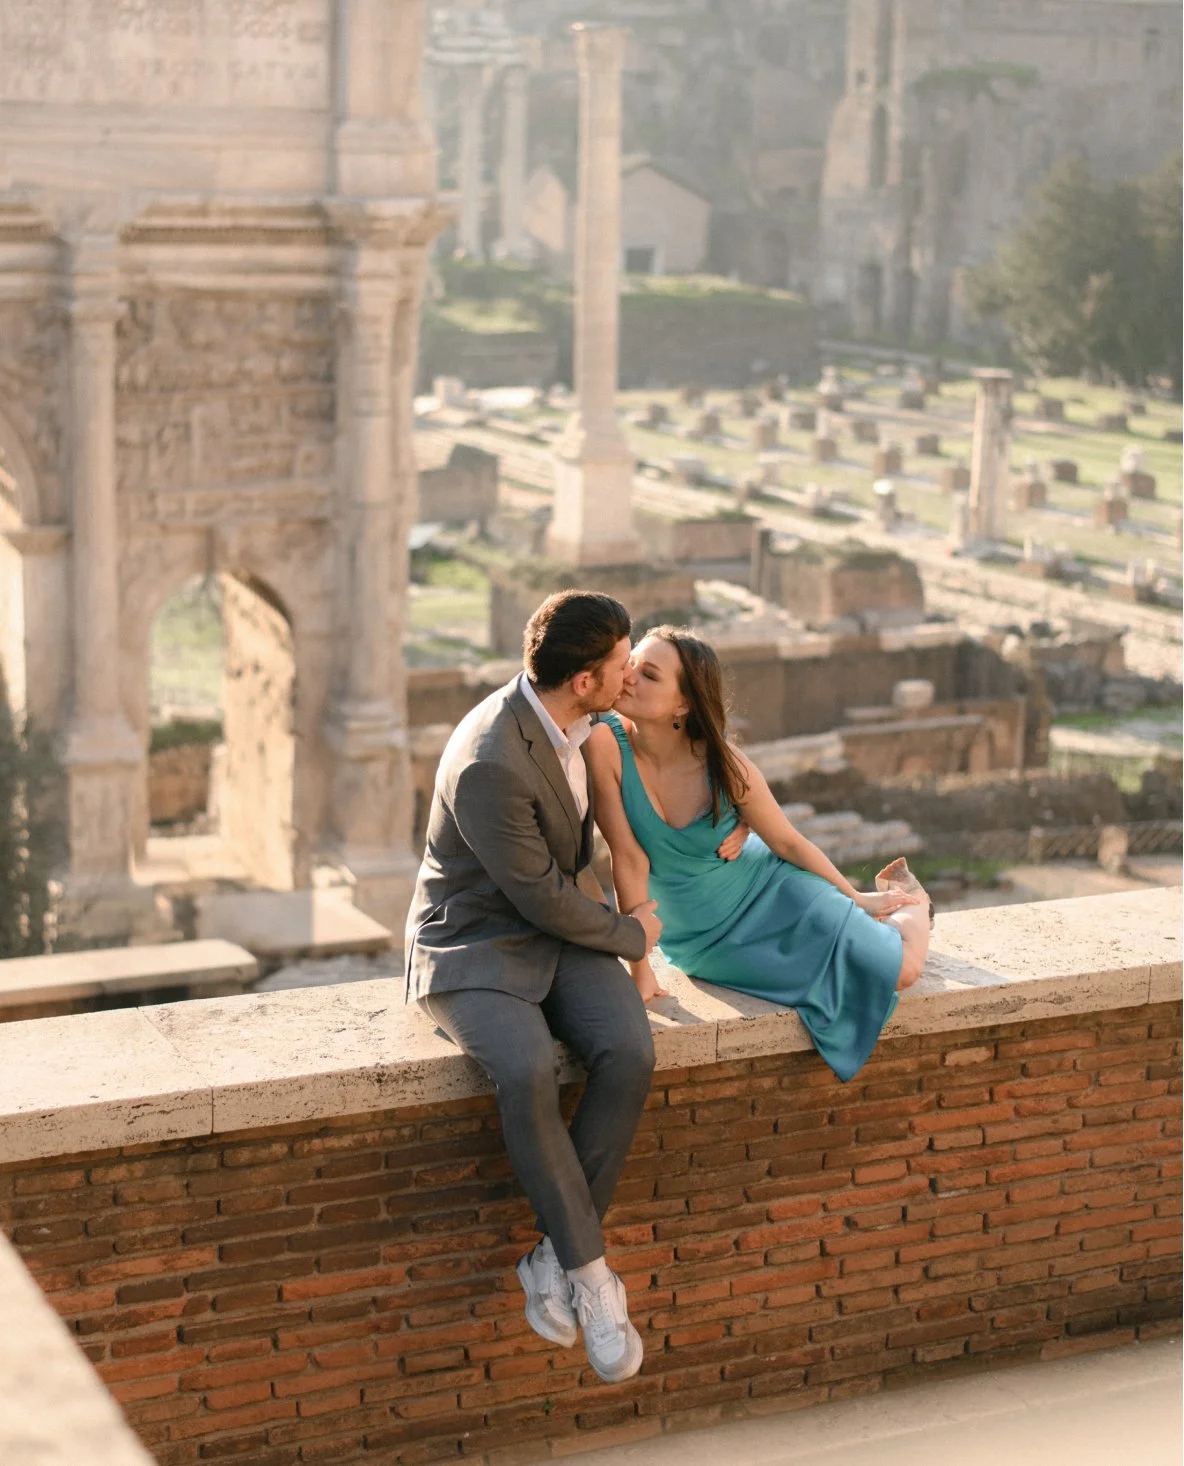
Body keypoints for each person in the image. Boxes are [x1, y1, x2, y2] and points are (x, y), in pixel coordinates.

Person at [405, 591, 668, 1384]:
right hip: (476, 941)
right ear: (585, 679)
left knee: (628, 1050)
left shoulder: (589, 725)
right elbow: (539, 897)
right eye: (623, 663)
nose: (633, 672)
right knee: (523, 1073)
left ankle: (550, 1258)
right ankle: (593, 1282)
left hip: (557, 932)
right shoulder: (493, 757)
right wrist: (634, 937)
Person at [585, 626, 932, 1083]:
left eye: (649, 675)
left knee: (904, 972)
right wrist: (640, 968)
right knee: (825, 990)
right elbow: (627, 859)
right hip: (702, 942)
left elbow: (787, 841)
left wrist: (856, 897)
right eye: (633, 665)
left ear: (683, 704)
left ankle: (914, 907)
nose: (629, 678)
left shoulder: (726, 766)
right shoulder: (604, 743)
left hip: (775, 891)